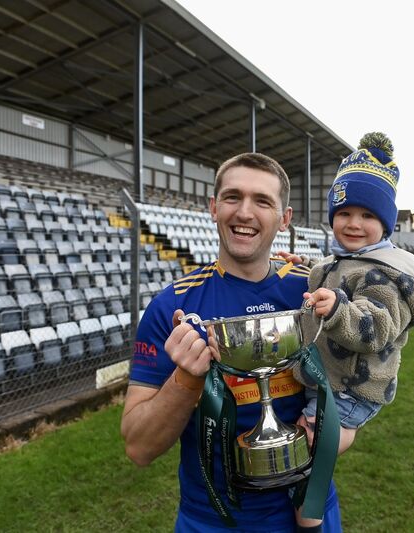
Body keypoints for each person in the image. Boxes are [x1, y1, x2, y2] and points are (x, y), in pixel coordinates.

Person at [120, 152, 342, 532]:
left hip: (311, 508)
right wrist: (186, 381)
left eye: (262, 201)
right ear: (213, 207)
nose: (244, 212)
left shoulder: (312, 291)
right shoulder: (172, 307)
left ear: (284, 219)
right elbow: (139, 447)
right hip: (215, 519)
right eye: (232, 197)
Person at [277, 133, 414, 530]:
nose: (354, 224)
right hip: (328, 379)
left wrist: (338, 309)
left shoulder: (387, 273)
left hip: (351, 388)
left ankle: (310, 517)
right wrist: (305, 266)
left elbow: (375, 325)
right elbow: (338, 274)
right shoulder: (345, 260)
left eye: (367, 216)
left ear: (386, 223)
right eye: (345, 213)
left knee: (313, 445)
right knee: (305, 448)